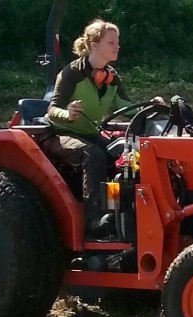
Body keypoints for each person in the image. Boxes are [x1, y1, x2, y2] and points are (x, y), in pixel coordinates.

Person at [43, 19, 163, 239]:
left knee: (122, 154)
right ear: (94, 45)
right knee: (94, 154)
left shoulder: (111, 76)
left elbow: (125, 108)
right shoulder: (71, 73)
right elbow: (52, 110)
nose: (117, 46)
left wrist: (150, 107)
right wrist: (67, 113)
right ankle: (94, 221)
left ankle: (116, 211)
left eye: (117, 42)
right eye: (111, 42)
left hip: (89, 133)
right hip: (60, 134)